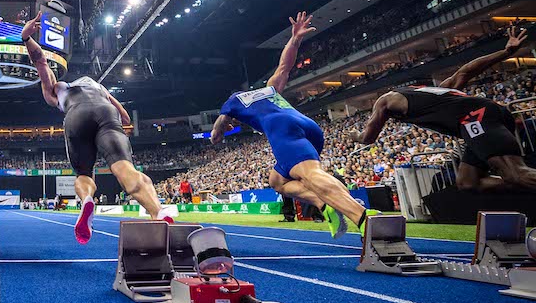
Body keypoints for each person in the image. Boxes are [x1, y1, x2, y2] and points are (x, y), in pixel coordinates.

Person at [211, 12, 375, 238]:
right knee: (277, 180)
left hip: (283, 129)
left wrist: (219, 131)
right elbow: (284, 65)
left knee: (310, 175)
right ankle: (324, 204)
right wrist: (295, 38)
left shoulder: (232, 101)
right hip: (308, 126)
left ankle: (364, 218)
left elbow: (218, 127)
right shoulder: (268, 90)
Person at [20, 16, 173, 244]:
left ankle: (88, 200)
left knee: (84, 175)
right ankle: (158, 212)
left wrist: (27, 38)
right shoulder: (97, 86)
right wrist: (122, 119)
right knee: (125, 170)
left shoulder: (57, 89)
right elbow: (121, 110)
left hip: (76, 115)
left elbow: (40, 61)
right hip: (106, 112)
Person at [352, 25, 536, 192]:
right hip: (487, 115)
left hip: (474, 118)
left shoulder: (384, 100)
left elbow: (368, 138)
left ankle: (520, 180)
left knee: (516, 174)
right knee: (467, 182)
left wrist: (355, 136)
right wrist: (504, 53)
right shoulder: (434, 92)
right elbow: (466, 71)